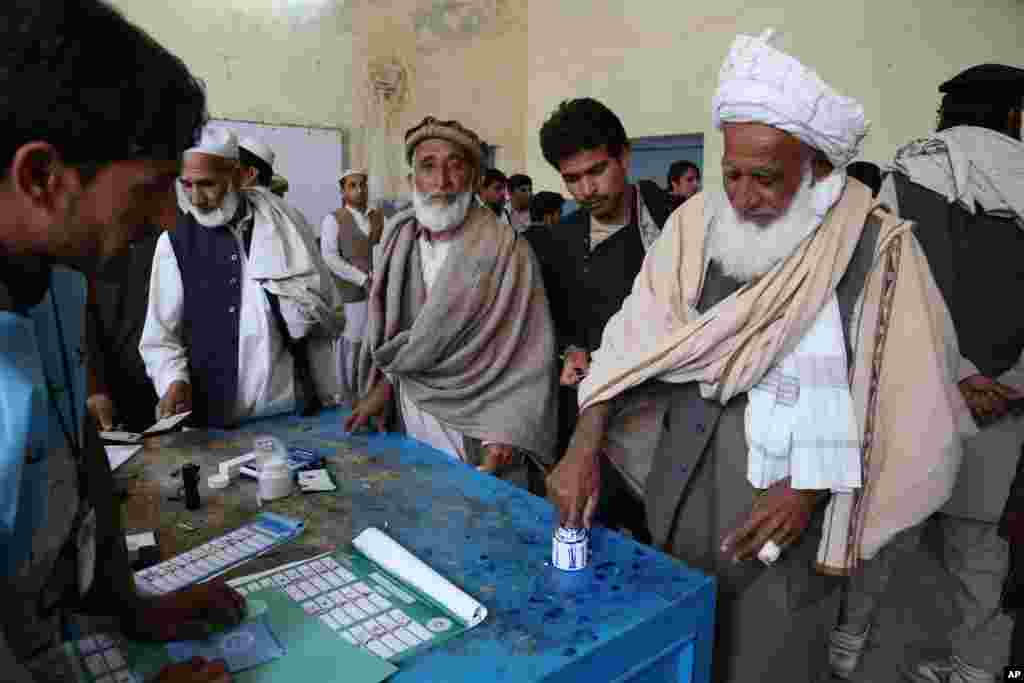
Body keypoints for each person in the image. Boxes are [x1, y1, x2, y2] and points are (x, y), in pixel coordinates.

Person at [546, 29, 966, 683]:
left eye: (766, 177)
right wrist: (583, 439)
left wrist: (809, 484)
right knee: (678, 644)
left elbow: (908, 399)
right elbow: (630, 340)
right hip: (679, 487)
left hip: (790, 507)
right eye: (731, 172)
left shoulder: (874, 246)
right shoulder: (697, 223)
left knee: (767, 658)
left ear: (818, 168)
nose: (742, 196)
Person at [0, 2, 245, 681]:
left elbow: (75, 442)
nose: (170, 216)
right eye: (153, 188)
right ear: (42, 177)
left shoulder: (57, 276)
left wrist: (129, 603)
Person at [830, 63, 1024, 683]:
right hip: (1007, 407)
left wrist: (955, 372)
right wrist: (1009, 383)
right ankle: (975, 672)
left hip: (919, 399)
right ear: (1015, 116)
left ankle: (842, 654)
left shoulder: (910, 174)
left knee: (882, 535)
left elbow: (880, 292)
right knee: (983, 558)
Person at [345, 116, 558, 484]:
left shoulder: (508, 250)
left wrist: (505, 432)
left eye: (455, 166)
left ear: (474, 179)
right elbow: (403, 342)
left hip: (479, 425)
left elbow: (530, 353)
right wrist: (383, 388)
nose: (441, 182)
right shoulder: (399, 241)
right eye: (428, 167)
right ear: (413, 180)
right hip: (410, 415)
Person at [141, 125, 342, 428]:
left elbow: (321, 311)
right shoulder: (175, 244)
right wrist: (173, 381)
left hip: (291, 412)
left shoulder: (286, 227)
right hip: (216, 423)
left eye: (207, 184)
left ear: (236, 176)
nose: (196, 199)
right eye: (187, 185)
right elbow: (160, 338)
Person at [532, 97, 671, 537]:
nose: (586, 190)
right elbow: (553, 321)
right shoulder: (558, 240)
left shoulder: (671, 227)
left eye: (596, 172)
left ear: (624, 156)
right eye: (572, 179)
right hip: (584, 431)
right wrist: (566, 352)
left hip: (656, 426)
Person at [85, 224, 163, 432]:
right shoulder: (83, 247)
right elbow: (82, 325)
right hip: (118, 401)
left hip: (173, 387)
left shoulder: (163, 237)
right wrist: (95, 388)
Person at [320, 169, 384, 400]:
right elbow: (329, 257)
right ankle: (346, 392)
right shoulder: (333, 219)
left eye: (362, 185)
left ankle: (368, 390)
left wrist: (377, 277)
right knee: (351, 339)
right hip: (348, 290)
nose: (359, 190)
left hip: (375, 288)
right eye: (353, 185)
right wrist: (360, 278)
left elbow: (381, 249)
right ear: (343, 191)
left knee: (373, 339)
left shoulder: (377, 216)